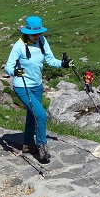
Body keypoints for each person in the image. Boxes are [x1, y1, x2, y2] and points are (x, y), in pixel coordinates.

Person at [4, 15, 69, 163]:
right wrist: (14, 71)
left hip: (37, 86)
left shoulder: (42, 41)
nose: (36, 36)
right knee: (40, 114)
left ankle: (27, 144)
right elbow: (8, 66)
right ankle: (41, 146)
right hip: (22, 86)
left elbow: (50, 60)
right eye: (33, 34)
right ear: (27, 32)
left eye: (39, 33)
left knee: (33, 115)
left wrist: (63, 64)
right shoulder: (18, 46)